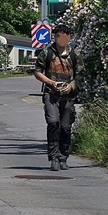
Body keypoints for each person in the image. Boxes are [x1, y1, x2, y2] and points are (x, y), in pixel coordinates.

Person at [33, 24, 81, 171]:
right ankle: (53, 157)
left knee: (66, 127)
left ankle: (63, 157)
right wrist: (51, 82)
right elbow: (37, 72)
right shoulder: (47, 53)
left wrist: (71, 85)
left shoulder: (74, 55)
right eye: (58, 36)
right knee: (53, 123)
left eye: (64, 36)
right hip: (51, 94)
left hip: (68, 96)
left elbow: (80, 75)